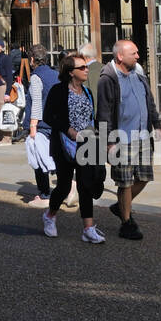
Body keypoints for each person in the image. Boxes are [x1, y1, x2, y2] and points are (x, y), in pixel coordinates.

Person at [97, 39, 161, 242]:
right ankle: (127, 222)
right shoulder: (108, 79)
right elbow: (104, 112)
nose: (138, 56)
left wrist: (157, 124)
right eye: (133, 53)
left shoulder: (139, 75)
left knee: (143, 178)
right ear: (120, 56)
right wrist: (109, 139)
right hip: (121, 138)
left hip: (142, 136)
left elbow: (148, 101)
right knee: (124, 182)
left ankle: (120, 206)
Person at [41, 53, 105, 243]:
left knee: (86, 185)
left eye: (86, 67)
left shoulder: (87, 92)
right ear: (70, 72)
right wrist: (67, 129)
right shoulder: (58, 91)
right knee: (64, 185)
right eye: (82, 68)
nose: (87, 70)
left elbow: (92, 118)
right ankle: (50, 215)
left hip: (87, 143)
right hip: (64, 145)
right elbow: (48, 116)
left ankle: (88, 228)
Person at [25, 44, 56, 205]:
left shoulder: (36, 77)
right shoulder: (56, 74)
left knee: (39, 159)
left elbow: (37, 102)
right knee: (56, 157)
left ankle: (44, 194)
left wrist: (32, 126)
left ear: (32, 60)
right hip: (56, 123)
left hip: (42, 125)